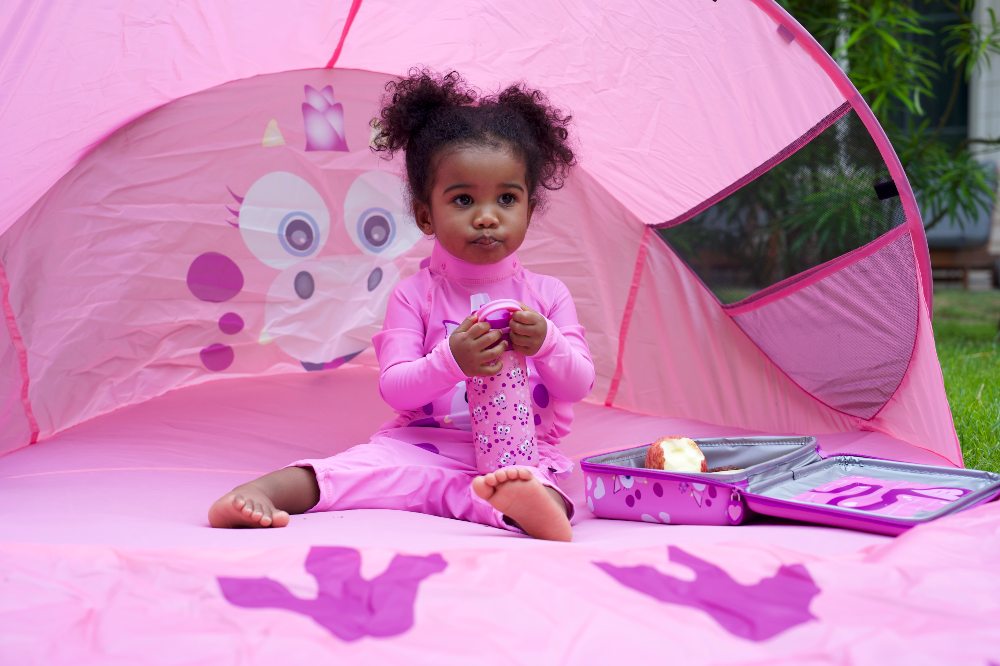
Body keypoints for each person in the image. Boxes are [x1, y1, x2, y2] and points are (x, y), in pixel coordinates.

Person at [208, 69, 594, 541]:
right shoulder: (415, 295)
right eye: (464, 199)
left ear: (529, 210)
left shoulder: (547, 295)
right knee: (355, 469)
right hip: (422, 448)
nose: (487, 216)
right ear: (425, 215)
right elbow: (397, 389)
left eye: (507, 198)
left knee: (531, 484)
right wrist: (452, 359)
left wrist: (547, 344)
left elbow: (578, 383)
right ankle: (263, 491)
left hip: (519, 451)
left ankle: (527, 506)